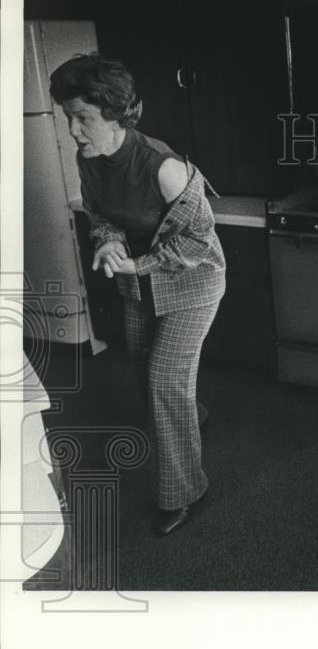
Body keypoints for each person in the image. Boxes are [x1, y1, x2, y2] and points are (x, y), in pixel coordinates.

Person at [50, 53, 226, 536]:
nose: (74, 131)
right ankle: (194, 415)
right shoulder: (90, 158)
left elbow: (196, 240)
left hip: (193, 281)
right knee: (144, 367)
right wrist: (106, 238)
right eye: (69, 118)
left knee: (163, 380)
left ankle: (183, 493)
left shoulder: (164, 167)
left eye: (83, 118)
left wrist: (139, 263)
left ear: (115, 114)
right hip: (140, 282)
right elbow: (99, 210)